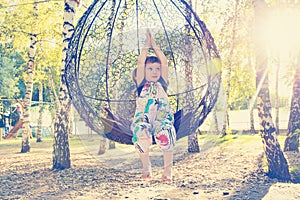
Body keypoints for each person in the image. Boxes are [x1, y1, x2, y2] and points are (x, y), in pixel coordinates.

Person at [131, 29, 176, 182]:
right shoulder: (141, 83)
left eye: (157, 69)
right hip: (143, 118)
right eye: (150, 69)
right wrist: (146, 45)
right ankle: (146, 167)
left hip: (161, 118)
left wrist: (154, 45)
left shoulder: (162, 82)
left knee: (166, 133)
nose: (155, 71)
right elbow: (140, 62)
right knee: (140, 134)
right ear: (143, 71)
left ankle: (168, 169)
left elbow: (164, 61)